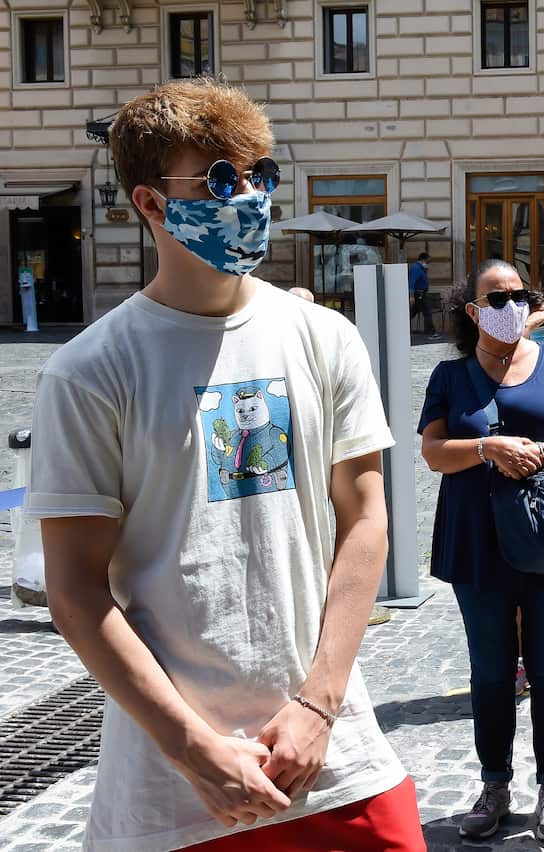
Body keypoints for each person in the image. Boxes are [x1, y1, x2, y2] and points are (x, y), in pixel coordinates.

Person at [26, 79, 425, 852]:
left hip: (335, 760)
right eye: (217, 181)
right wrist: (193, 749)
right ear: (151, 203)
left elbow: (365, 519)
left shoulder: (325, 338)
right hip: (177, 793)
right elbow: (74, 589)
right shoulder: (90, 371)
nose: (248, 198)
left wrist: (320, 703)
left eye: (258, 175)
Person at [420, 259, 544, 843]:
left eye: (518, 296)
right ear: (474, 311)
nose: (510, 306)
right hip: (478, 542)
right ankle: (495, 784)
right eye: (496, 299)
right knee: (492, 671)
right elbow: (433, 452)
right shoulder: (450, 376)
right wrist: (487, 448)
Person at [408, 251, 438, 337]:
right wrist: (411, 296)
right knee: (427, 312)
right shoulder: (416, 268)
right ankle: (431, 332)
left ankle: (401, 325)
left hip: (421, 293)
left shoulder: (421, 268)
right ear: (423, 260)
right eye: (427, 262)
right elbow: (412, 283)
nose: (428, 264)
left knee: (413, 312)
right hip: (419, 294)